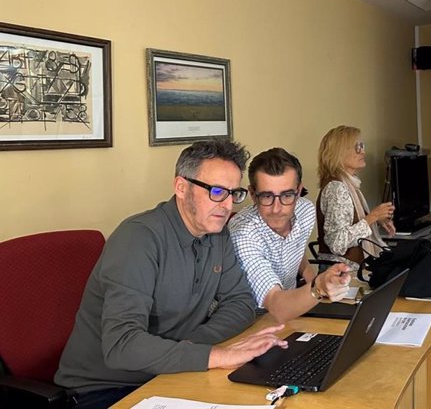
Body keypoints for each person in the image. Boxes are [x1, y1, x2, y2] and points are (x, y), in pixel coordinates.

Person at [54, 139, 287, 409]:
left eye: (233, 193)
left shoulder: (216, 231)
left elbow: (241, 303)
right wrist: (214, 355)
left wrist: (194, 347)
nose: (226, 205)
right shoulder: (138, 239)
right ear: (181, 187)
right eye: (216, 191)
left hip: (170, 373)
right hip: (105, 389)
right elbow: (122, 346)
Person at [228, 148, 352, 323]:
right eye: (266, 196)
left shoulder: (305, 211)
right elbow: (276, 305)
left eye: (287, 195)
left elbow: (295, 247)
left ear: (299, 190)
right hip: (255, 319)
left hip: (294, 307)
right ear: (253, 195)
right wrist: (318, 288)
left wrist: (311, 275)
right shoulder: (243, 233)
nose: (277, 208)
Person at [316, 125, 395, 270]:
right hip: (341, 275)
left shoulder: (348, 184)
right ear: (339, 153)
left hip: (350, 271)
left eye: (362, 146)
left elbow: (348, 224)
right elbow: (337, 243)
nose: (363, 151)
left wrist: (377, 219)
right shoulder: (337, 189)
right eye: (357, 147)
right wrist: (372, 216)